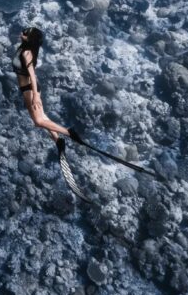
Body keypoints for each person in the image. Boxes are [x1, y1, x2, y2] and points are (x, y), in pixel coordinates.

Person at [13, 26, 159, 201]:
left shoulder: (27, 53)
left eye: (25, 33)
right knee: (43, 119)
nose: (21, 34)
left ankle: (69, 133)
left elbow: (32, 74)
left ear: (30, 39)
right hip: (26, 89)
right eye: (23, 31)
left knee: (38, 121)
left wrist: (36, 96)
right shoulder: (24, 49)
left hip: (30, 89)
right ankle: (58, 141)